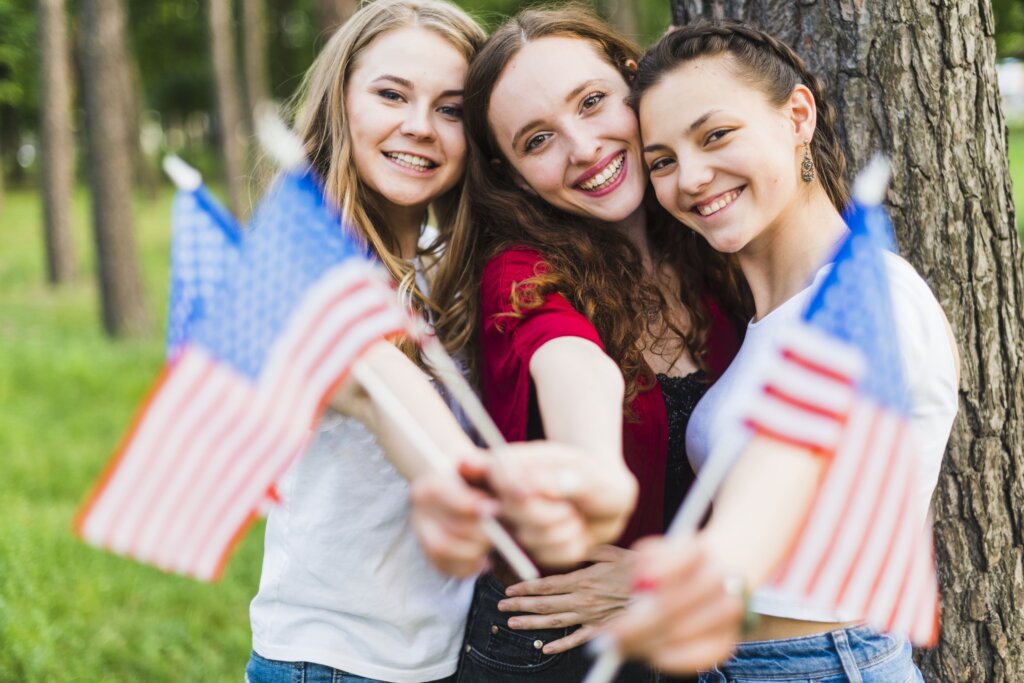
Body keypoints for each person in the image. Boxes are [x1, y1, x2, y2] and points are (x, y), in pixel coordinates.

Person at [246, 3, 636, 682]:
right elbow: (374, 380)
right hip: (336, 661)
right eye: (391, 94)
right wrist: (468, 476)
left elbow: (571, 357)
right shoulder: (300, 263)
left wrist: (592, 462)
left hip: (437, 656)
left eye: (451, 109)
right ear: (342, 102)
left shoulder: (442, 262)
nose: (419, 127)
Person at [605, 20, 960, 682]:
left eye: (716, 135)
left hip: (822, 664)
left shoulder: (864, 306)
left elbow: (782, 481)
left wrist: (705, 573)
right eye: (662, 160)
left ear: (798, 115)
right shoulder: (764, 319)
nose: (691, 177)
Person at [425, 7, 749, 682]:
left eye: (594, 101)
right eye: (537, 139)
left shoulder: (714, 243)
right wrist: (594, 469)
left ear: (635, 83)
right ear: (510, 173)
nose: (582, 146)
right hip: (552, 651)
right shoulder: (519, 273)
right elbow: (572, 364)